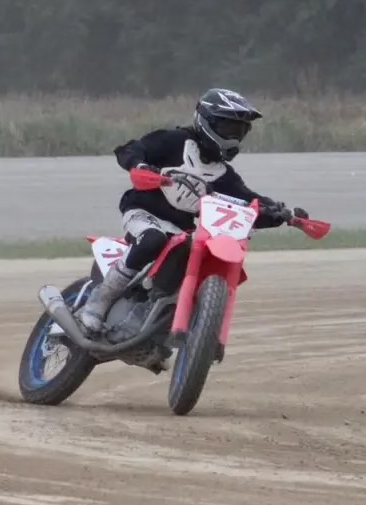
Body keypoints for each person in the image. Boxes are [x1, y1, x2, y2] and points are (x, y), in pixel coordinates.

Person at [77, 87, 309, 334]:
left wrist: (279, 213)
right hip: (143, 212)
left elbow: (248, 201)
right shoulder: (174, 141)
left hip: (180, 230)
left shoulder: (223, 175)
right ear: (207, 121)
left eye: (240, 131)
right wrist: (140, 164)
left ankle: (161, 328)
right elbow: (130, 149)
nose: (234, 136)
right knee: (152, 239)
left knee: (192, 259)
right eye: (229, 128)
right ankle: (97, 303)